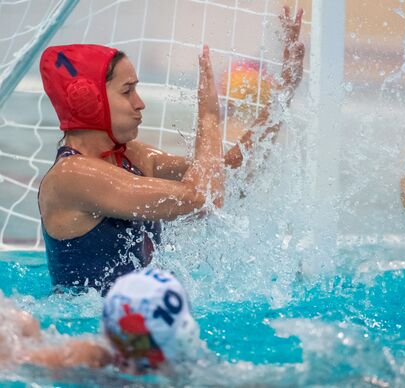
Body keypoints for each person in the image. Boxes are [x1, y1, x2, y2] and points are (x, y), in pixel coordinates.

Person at [38, 7, 305, 294]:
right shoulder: (73, 176)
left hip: (143, 318)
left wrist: (283, 95)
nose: (140, 103)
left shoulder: (132, 156)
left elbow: (226, 170)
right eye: (127, 91)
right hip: (93, 326)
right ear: (88, 102)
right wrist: (209, 118)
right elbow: (202, 197)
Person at [0, 268, 201, 373]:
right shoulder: (199, 372)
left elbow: (13, 360)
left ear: (106, 328)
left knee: (26, 327)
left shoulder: (89, 359)